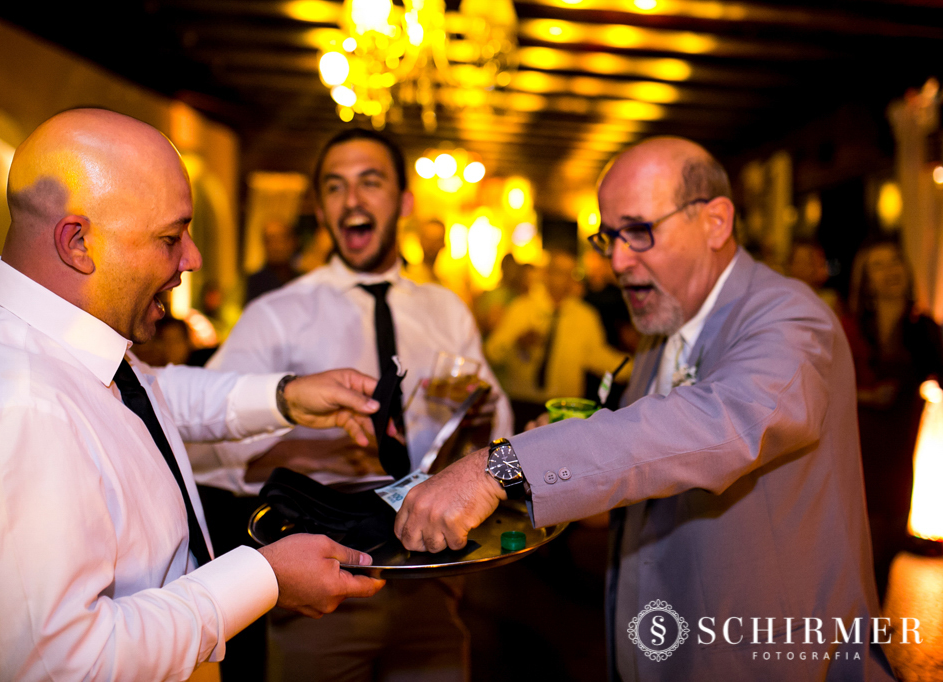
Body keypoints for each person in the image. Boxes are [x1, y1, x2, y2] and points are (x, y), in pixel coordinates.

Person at [394, 137, 893, 680]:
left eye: (639, 232)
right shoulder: (662, 328)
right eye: (609, 236)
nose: (615, 260)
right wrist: (563, 452)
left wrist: (504, 466)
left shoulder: (793, 320)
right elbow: (653, 463)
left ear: (716, 221)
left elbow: (720, 425)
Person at [0, 109, 386, 682]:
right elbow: (55, 668)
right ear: (78, 241)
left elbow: (142, 400)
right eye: (170, 237)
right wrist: (262, 579)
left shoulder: (52, 335)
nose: (191, 258)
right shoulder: (13, 406)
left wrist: (287, 397)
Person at [192, 127, 514, 682]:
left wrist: (481, 419)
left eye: (371, 182)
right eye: (336, 188)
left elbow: (498, 426)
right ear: (321, 208)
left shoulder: (446, 311)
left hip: (431, 574)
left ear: (405, 201)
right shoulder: (277, 314)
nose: (353, 201)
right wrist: (296, 423)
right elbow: (201, 440)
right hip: (319, 580)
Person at [843, 238, 943, 596]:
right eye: (879, 265)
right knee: (853, 561)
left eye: (896, 261)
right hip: (853, 458)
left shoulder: (924, 332)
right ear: (865, 280)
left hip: (898, 462)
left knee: (884, 559)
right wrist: (865, 395)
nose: (891, 271)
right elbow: (817, 388)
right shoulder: (846, 329)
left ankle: (868, 642)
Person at [485, 249, 627, 427]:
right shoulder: (521, 309)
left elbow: (598, 357)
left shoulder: (585, 316)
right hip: (523, 403)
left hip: (565, 409)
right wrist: (517, 342)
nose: (564, 279)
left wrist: (634, 369)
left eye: (570, 273)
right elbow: (492, 352)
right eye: (559, 272)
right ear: (546, 273)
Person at [246, 221, 301, 302]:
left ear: (292, 242)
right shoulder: (253, 282)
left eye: (281, 239)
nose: (275, 246)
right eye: (270, 240)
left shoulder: (301, 279)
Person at [404, 218, 446, 285]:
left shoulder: (447, 280)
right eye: (428, 239)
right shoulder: (409, 278)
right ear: (420, 240)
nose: (432, 245)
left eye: (437, 240)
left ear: (444, 244)